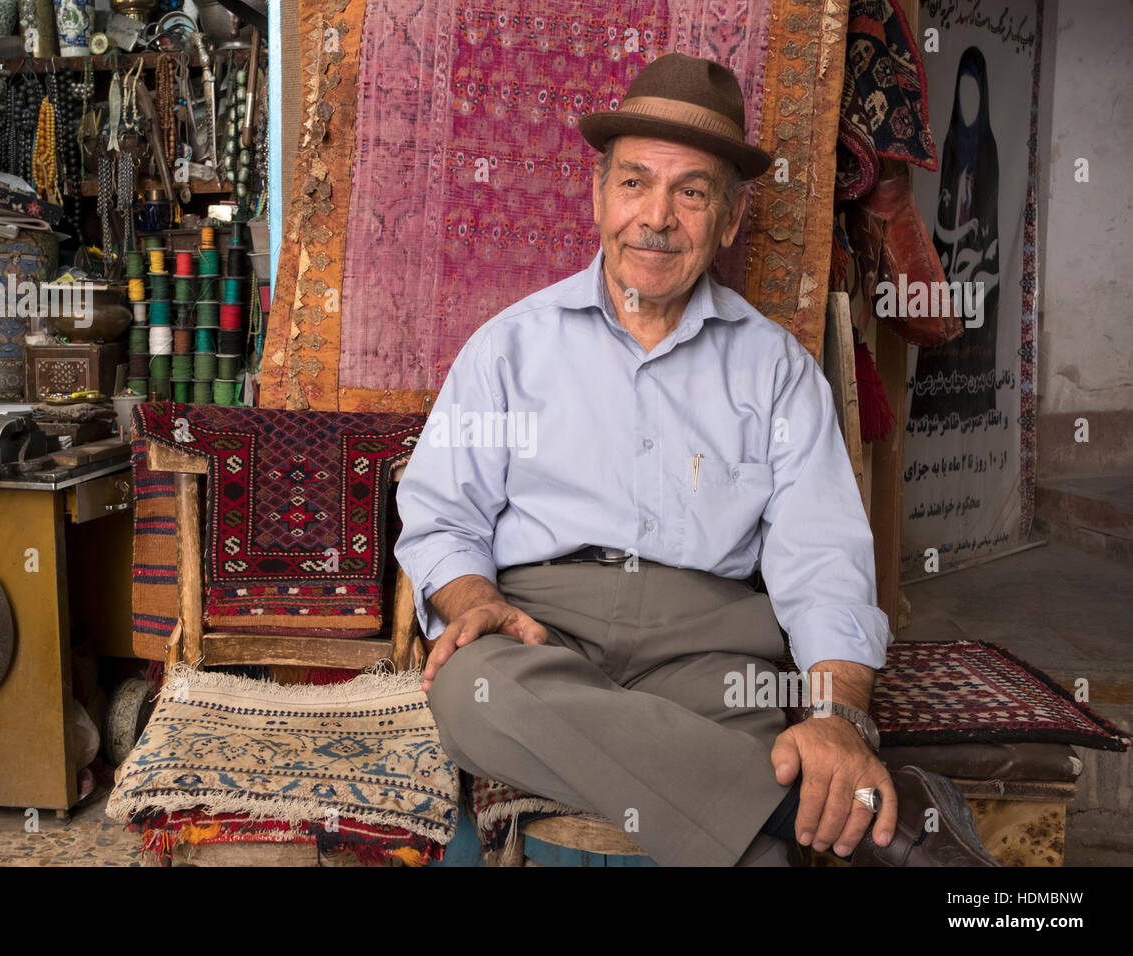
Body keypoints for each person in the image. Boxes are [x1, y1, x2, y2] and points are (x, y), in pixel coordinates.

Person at [393, 53, 997, 867]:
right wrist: (473, 598)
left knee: (767, 780)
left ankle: (775, 816)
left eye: (692, 192)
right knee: (471, 695)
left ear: (730, 219)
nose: (658, 217)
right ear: (598, 196)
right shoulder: (509, 349)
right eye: (636, 183)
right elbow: (440, 514)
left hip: (709, 647)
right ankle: (856, 828)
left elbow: (823, 559)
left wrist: (841, 721)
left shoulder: (777, 370)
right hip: (540, 628)